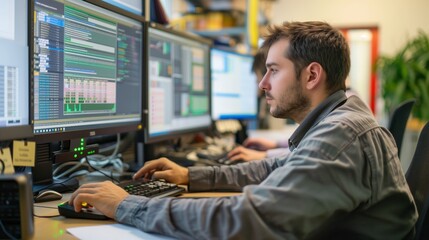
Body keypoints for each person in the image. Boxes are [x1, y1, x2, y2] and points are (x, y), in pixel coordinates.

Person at [70, 21, 418, 239]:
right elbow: (273, 168)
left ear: (311, 76)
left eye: (273, 71)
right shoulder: (338, 120)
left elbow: (247, 220)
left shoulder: (340, 137)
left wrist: (126, 205)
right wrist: (191, 176)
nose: (262, 85)